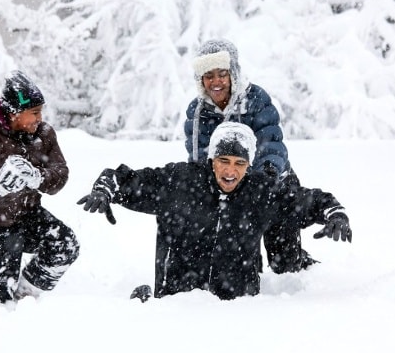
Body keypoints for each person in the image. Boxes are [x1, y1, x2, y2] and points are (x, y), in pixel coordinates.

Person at [78, 122, 351, 301]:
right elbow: (125, 180)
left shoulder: (260, 193)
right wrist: (105, 190)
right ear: (211, 160)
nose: (230, 171)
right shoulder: (181, 181)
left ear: (249, 165)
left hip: (237, 313)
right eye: (223, 161)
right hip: (177, 305)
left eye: (239, 163)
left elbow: (311, 200)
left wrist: (334, 214)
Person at [184, 38, 310, 274]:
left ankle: (300, 262)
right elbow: (199, 156)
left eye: (221, 73)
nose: (216, 81)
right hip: (232, 190)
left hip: (273, 183)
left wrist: (266, 175)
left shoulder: (255, 99)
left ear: (233, 73)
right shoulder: (197, 111)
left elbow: (270, 141)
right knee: (242, 265)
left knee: (284, 265)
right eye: (208, 76)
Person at [0, 70, 79, 303]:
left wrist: (37, 177)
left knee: (64, 246)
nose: (39, 118)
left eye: (40, 111)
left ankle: (25, 295)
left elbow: (60, 175)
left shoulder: (44, 134)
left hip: (27, 215)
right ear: (13, 113)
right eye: (34, 112)